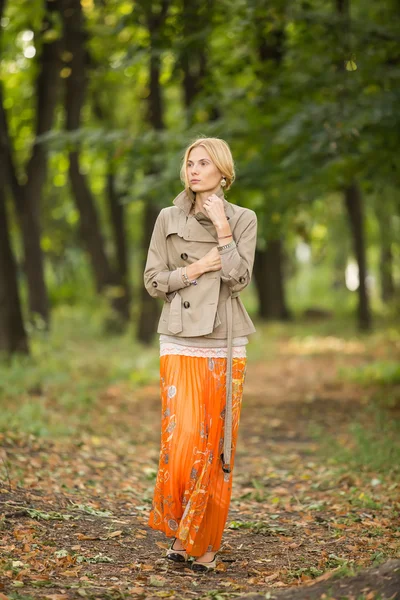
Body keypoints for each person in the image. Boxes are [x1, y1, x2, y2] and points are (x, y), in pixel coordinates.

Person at [143, 137, 257, 572]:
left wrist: (223, 231)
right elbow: (153, 279)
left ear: (222, 173)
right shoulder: (167, 217)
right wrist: (196, 268)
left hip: (225, 340)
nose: (193, 170)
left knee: (218, 446)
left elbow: (239, 279)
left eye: (203, 163)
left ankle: (203, 544)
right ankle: (180, 529)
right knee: (184, 440)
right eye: (189, 163)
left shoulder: (244, 219)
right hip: (179, 337)